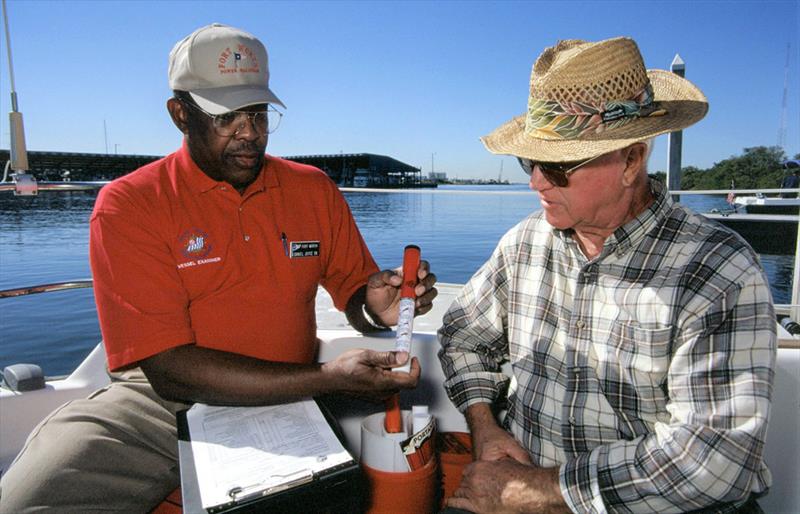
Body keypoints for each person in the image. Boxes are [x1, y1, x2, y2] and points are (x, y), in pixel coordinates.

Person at [0, 23, 436, 512]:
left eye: (258, 113)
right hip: (160, 403)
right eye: (226, 115)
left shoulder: (314, 189)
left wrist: (378, 305)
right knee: (28, 499)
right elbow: (170, 372)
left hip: (288, 388)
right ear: (179, 114)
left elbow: (356, 297)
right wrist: (328, 378)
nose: (249, 132)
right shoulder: (129, 204)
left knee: (333, 496)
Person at [438, 37, 776, 513]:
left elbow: (713, 461)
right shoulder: (524, 243)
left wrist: (535, 490)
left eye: (556, 166)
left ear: (632, 161)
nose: (535, 181)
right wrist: (487, 427)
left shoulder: (716, 269)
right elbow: (462, 339)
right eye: (530, 161)